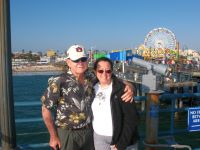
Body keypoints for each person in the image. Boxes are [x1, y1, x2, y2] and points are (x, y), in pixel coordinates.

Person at [41, 44, 134, 150]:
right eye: (76, 60)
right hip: (67, 133)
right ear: (68, 62)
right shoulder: (58, 81)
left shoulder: (91, 77)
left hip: (89, 133)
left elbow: (113, 78)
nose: (80, 63)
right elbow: (45, 109)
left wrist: (130, 86)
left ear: (87, 60)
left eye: (83, 59)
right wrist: (53, 136)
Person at [92, 57, 139, 150]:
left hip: (120, 139)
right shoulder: (92, 87)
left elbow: (132, 119)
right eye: (100, 71)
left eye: (108, 71)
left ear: (112, 71)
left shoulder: (123, 90)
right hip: (99, 138)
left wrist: (121, 145)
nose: (104, 74)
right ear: (95, 71)